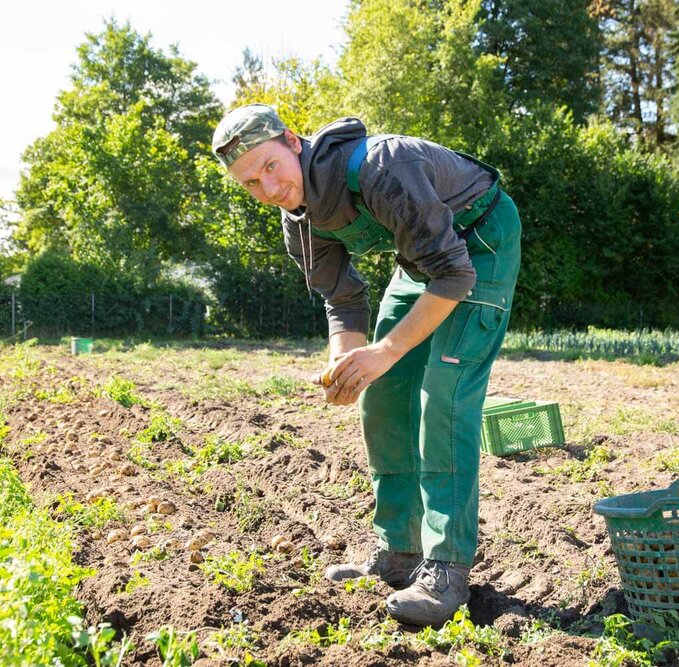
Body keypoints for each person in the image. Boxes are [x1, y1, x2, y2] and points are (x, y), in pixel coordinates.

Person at [211, 104, 521, 626]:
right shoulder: (301, 222)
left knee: (441, 397)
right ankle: (399, 548)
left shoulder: (381, 167)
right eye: (250, 184)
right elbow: (343, 298)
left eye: (269, 166)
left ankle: (446, 568)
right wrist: (346, 362)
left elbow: (452, 274)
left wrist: (386, 349)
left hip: (479, 243)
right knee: (381, 392)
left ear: (292, 140)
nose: (267, 189)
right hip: (420, 260)